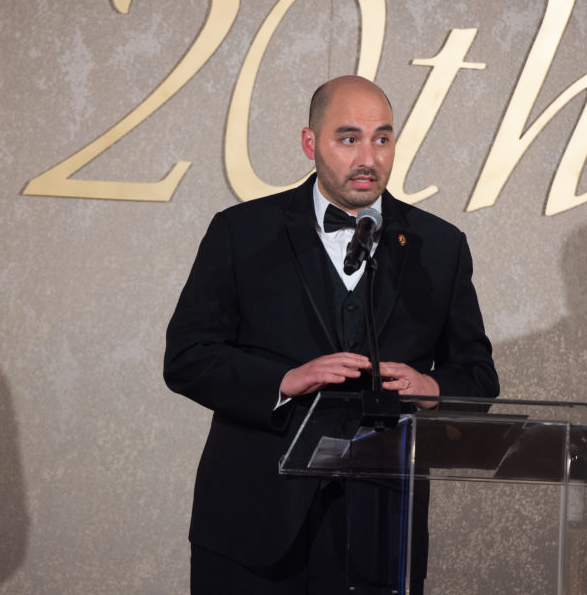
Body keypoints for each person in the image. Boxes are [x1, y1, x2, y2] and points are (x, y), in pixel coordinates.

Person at [164, 75, 498, 594]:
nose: (369, 156)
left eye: (382, 138)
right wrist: (283, 380)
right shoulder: (241, 232)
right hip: (251, 525)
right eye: (349, 138)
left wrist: (432, 388)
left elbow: (478, 378)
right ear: (310, 143)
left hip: (382, 529)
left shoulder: (440, 246)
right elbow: (187, 356)